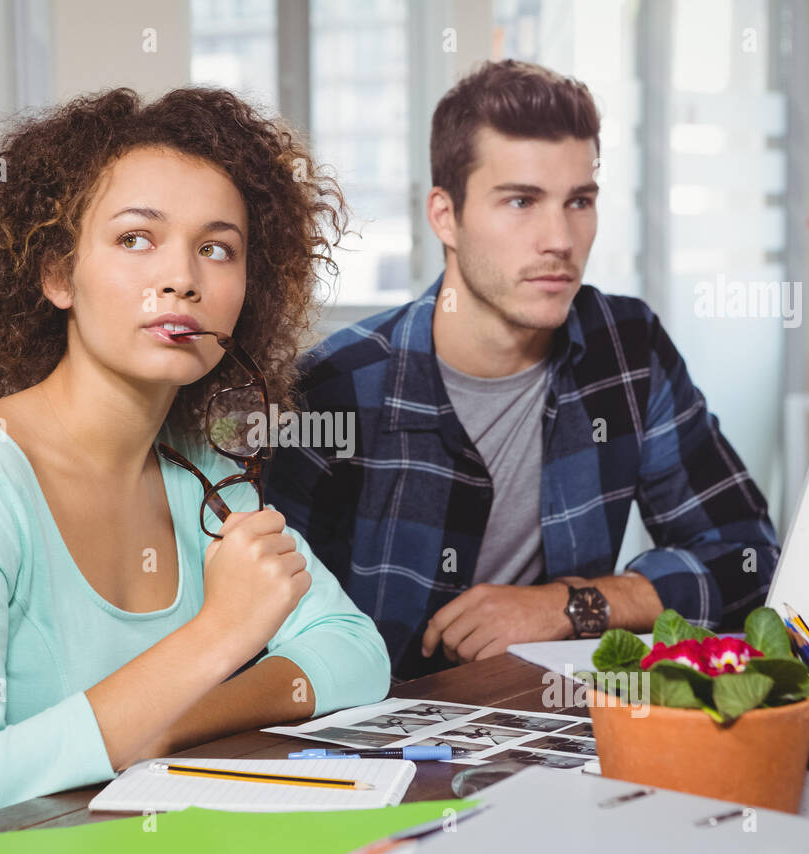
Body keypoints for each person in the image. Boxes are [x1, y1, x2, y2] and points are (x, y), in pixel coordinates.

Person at [0, 87, 390, 854]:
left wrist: (172, 724)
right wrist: (218, 637)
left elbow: (354, 652)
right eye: (136, 240)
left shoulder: (199, 469)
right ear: (58, 275)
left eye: (217, 248)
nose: (182, 278)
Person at [263, 60, 780, 680]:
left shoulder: (626, 348)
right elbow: (273, 632)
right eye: (521, 201)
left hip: (555, 728)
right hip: (377, 749)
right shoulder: (333, 389)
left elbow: (749, 558)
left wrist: (572, 605)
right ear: (445, 216)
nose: (559, 238)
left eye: (579, 201)